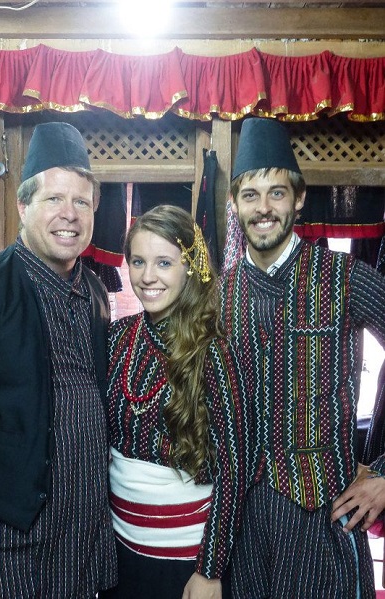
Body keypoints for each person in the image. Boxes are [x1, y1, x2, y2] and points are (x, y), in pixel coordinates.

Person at [0, 122, 117, 599]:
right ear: (22, 206)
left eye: (81, 201)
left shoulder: (97, 295)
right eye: (54, 199)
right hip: (4, 557)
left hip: (83, 554)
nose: (69, 214)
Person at [220, 116, 385, 598]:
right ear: (235, 205)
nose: (264, 207)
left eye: (277, 193)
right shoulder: (218, 296)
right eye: (251, 195)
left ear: (298, 199)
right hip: (242, 528)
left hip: (324, 522)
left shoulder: (345, 277)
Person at [101, 205, 249, 599]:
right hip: (120, 554)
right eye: (138, 261)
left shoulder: (213, 351)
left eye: (164, 263)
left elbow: (235, 469)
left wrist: (210, 570)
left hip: (186, 562)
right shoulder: (116, 338)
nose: (147, 277)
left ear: (189, 268)